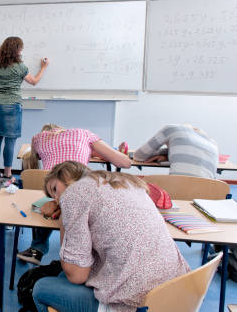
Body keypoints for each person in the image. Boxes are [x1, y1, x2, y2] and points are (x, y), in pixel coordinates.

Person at [32, 161, 190, 312]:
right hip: (177, 291)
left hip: (135, 304)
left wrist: (63, 220)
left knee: (40, 288)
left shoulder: (74, 194)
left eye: (54, 189)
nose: (57, 199)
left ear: (66, 176)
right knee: (61, 277)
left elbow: (76, 275)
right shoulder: (125, 182)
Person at [18, 123, 132, 264]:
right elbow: (124, 163)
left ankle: (37, 248)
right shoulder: (84, 134)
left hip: (54, 191)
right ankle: (80, 254)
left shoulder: (38, 138)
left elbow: (33, 156)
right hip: (81, 189)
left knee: (46, 201)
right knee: (71, 204)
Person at [0, 36, 49, 180]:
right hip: (12, 106)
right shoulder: (20, 67)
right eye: (21, 49)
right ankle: (8, 173)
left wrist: (0, 93)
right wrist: (43, 67)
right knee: (10, 140)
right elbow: (34, 82)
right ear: (17, 50)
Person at [133, 124, 218, 179]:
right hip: (207, 198)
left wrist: (163, 152)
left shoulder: (171, 129)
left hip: (177, 191)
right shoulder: (213, 143)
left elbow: (139, 156)